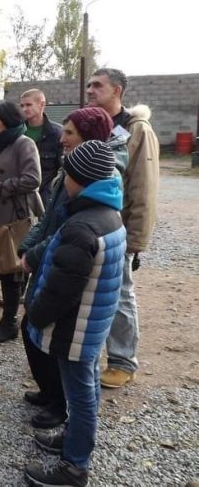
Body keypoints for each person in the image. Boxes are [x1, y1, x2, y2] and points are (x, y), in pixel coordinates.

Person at [23, 139, 126, 487]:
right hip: (92, 323)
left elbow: (61, 289)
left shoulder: (82, 227)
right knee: (87, 386)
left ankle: (75, 467)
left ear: (78, 179)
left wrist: (36, 314)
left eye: (67, 174)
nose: (63, 180)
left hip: (76, 328)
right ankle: (73, 439)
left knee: (79, 394)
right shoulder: (107, 213)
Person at [18, 106, 116, 431]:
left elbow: (66, 233)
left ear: (89, 138)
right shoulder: (70, 170)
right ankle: (50, 393)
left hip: (60, 262)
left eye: (70, 133)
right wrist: (27, 245)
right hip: (49, 259)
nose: (62, 138)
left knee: (48, 333)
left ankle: (60, 405)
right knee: (32, 328)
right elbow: (48, 219)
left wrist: (33, 256)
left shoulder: (91, 178)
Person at [86, 68, 160, 389]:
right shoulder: (95, 126)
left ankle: (122, 362)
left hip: (119, 231)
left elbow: (144, 188)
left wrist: (136, 238)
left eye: (97, 85)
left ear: (117, 90)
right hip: (90, 227)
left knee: (119, 296)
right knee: (91, 294)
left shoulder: (136, 129)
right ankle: (87, 358)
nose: (90, 90)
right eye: (89, 85)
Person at [0, 101, 43, 343]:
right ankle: (6, 321)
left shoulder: (23, 143)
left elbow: (33, 179)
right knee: (4, 268)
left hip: (17, 216)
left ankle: (10, 324)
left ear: (10, 119)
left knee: (12, 269)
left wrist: (1, 186)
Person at [20, 89, 63, 208]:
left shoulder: (57, 134)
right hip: (19, 197)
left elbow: (62, 169)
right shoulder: (17, 132)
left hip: (46, 199)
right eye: (22, 105)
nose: (24, 109)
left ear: (42, 105)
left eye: (29, 105)